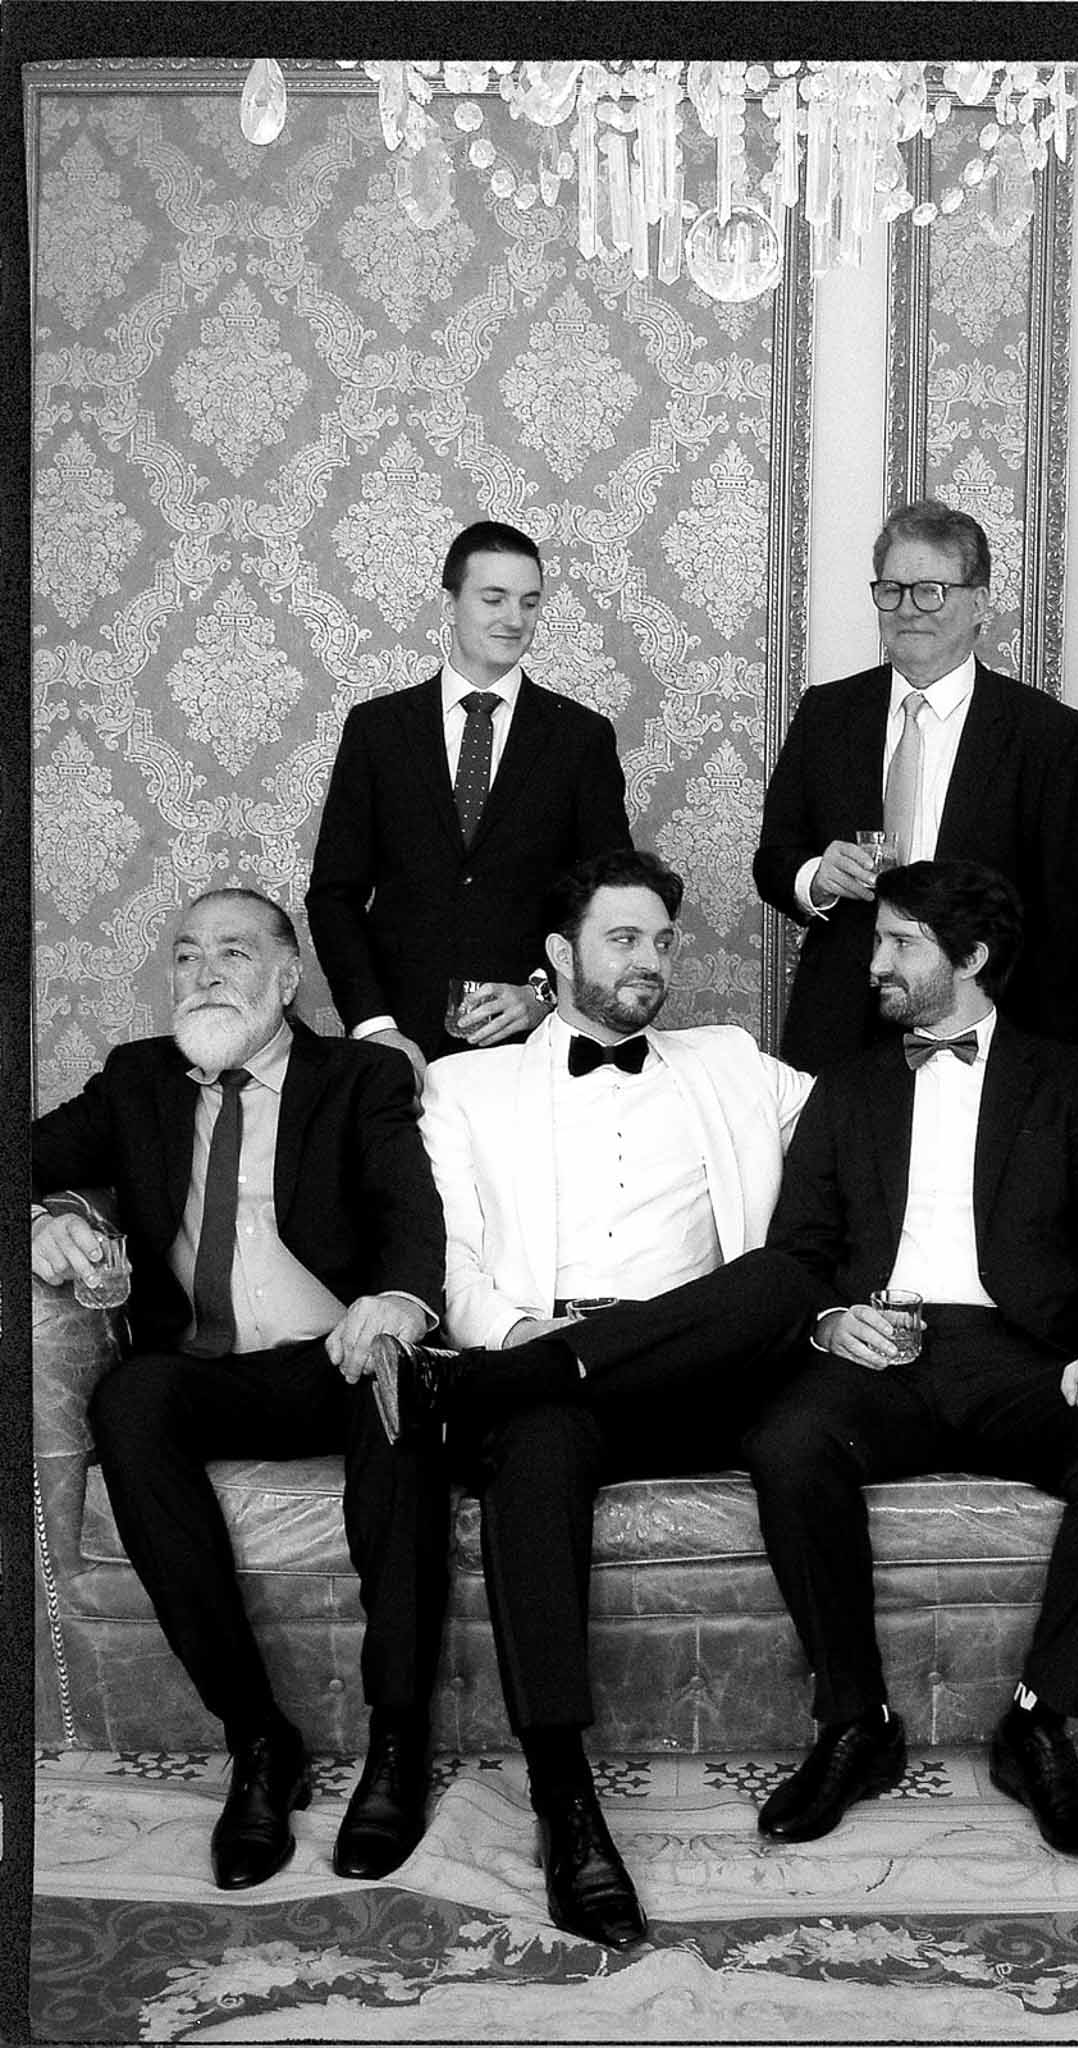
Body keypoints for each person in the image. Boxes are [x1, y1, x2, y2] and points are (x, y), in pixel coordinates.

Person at [404, 848, 818, 1948]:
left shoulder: (730, 1061)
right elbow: (445, 1258)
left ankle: (540, 1374)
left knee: (780, 1278)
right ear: (559, 955)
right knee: (535, 1443)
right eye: (624, 938)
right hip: (551, 1361)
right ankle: (564, 1797)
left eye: (664, 940)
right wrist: (522, 1337)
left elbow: (870, 1133)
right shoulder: (466, 1083)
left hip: (704, 1378)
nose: (651, 960)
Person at [742, 859, 1078, 1858]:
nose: (875, 960)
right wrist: (825, 1321)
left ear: (972, 957)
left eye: (900, 942)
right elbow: (798, 1247)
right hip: (878, 1354)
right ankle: (857, 1722)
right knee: (786, 1439)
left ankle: (1038, 1721)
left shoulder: (1070, 1080)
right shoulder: (847, 1085)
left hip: (1024, 1355)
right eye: (878, 938)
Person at [30, 889, 451, 1889]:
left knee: (396, 1389)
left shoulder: (356, 1076)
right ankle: (260, 1741)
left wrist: (395, 1299)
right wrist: (46, 1210)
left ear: (285, 975)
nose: (205, 972)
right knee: (127, 1403)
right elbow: (26, 1155)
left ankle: (398, 1741)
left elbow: (408, 1211)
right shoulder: (139, 1078)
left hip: (335, 1357)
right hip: (208, 1369)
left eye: (232, 950)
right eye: (185, 955)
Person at [753, 499, 1078, 1071]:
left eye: (930, 591)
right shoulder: (827, 712)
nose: (907, 609)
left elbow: (1067, 924)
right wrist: (817, 877)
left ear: (980, 603)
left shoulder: (1048, 736)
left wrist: (1051, 1067)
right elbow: (773, 860)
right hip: (839, 1025)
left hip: (985, 1030)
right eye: (891, 590)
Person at [306, 519, 632, 1084]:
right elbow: (335, 896)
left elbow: (610, 901)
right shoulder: (378, 730)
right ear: (448, 602)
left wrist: (544, 992)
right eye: (494, 598)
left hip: (532, 1050)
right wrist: (375, 1027)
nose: (514, 619)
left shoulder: (580, 738)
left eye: (529, 602)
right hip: (397, 1050)